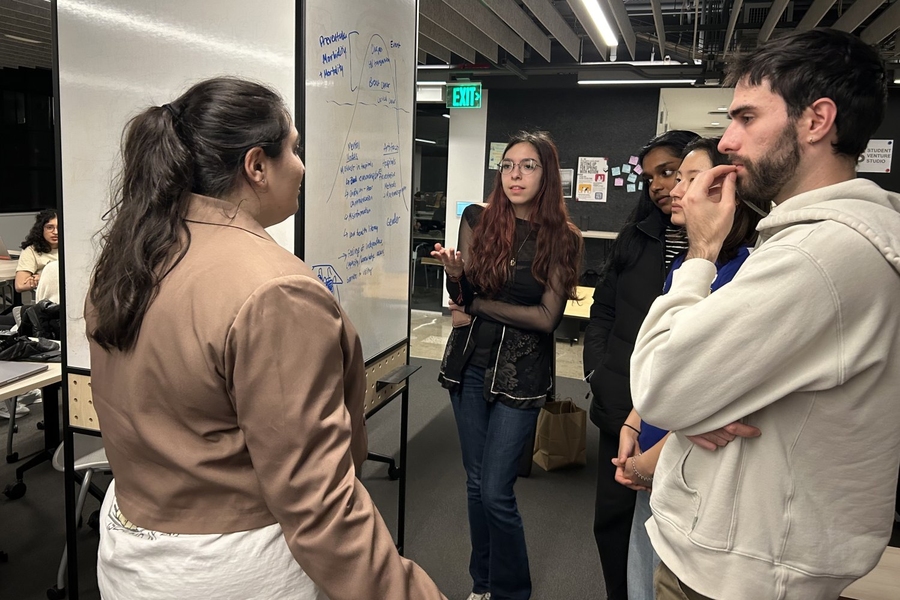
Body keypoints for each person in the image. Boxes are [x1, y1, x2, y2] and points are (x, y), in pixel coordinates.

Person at [85, 77, 445, 600]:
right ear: (257, 165)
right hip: (231, 570)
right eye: (295, 149)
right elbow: (318, 502)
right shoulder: (275, 290)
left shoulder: (128, 259)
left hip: (128, 557)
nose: (301, 166)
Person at [630, 29, 900, 600]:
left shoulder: (817, 257)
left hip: (741, 574)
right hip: (749, 553)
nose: (727, 141)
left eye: (746, 118)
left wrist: (702, 252)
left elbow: (660, 387)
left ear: (816, 120)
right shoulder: (813, 243)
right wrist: (702, 400)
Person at [611, 137, 767, 600]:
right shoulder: (686, 263)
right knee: (641, 574)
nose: (677, 191)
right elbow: (664, 364)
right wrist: (633, 420)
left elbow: (715, 405)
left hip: (681, 470)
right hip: (652, 451)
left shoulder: (742, 273)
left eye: (691, 179)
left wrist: (643, 466)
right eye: (677, 179)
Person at [431, 131, 583, 600]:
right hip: (469, 365)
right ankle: (484, 585)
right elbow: (461, 301)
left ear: (548, 174)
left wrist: (476, 304)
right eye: (509, 165)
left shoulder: (563, 238)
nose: (516, 175)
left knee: (497, 491)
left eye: (529, 166)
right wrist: (458, 281)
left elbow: (545, 318)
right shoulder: (476, 219)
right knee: (477, 486)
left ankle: (513, 592)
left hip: (520, 375)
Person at [581, 129, 698, 600]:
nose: (658, 185)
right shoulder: (637, 235)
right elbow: (603, 310)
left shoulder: (724, 247)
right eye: (651, 176)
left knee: (667, 532)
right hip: (620, 403)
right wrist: (597, 369)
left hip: (682, 418)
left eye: (670, 172)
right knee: (612, 523)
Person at [15, 209, 59, 294]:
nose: (55, 232)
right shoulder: (31, 250)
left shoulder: (72, 248)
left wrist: (43, 278)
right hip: (48, 300)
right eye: (50, 227)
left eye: (59, 227)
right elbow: (20, 285)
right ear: (41, 229)